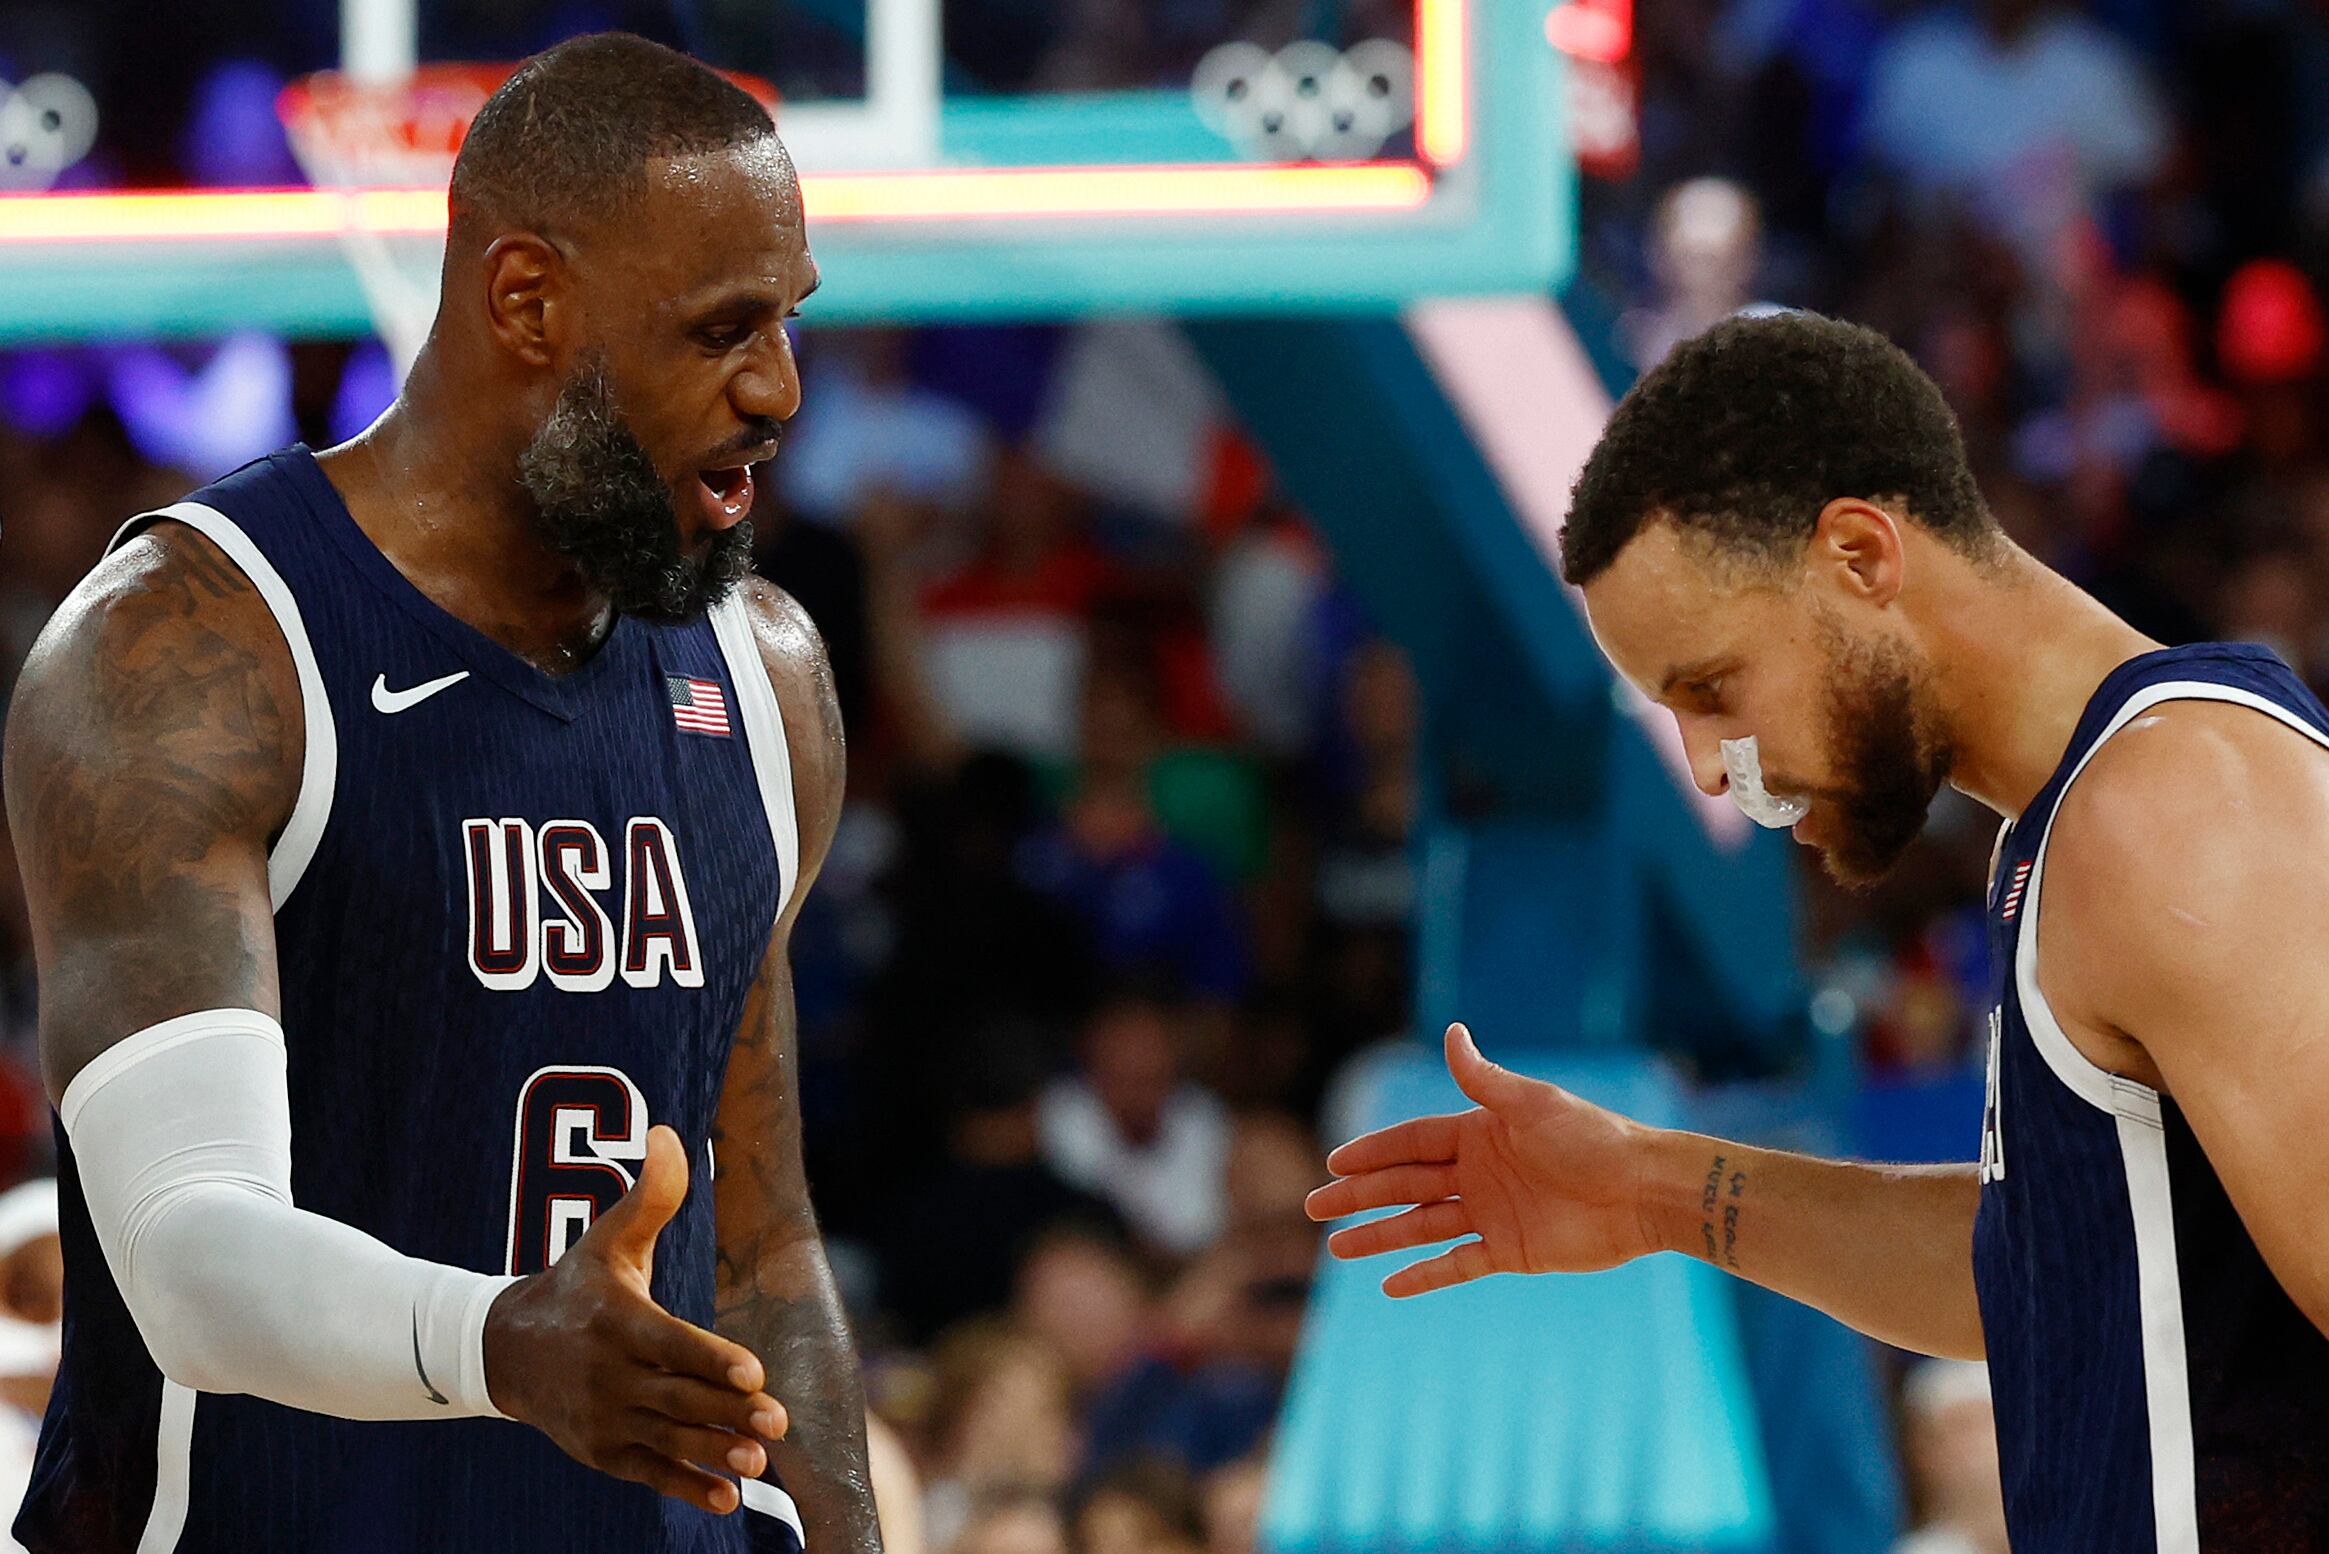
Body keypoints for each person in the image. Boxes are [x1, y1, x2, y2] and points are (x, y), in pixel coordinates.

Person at [0, 34, 881, 1554]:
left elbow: (765, 1248)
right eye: (722, 329)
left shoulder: (764, 679)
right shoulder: (197, 644)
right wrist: (488, 1341)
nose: (776, 387)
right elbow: (182, 1250)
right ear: (527, 299)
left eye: (789, 321)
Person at [1307, 311, 2329, 1551]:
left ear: (1859, 555)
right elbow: (2050, 1273)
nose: (1704, 766)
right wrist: (1652, 1189)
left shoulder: (2175, 806)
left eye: (1712, 689)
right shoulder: (2074, 829)